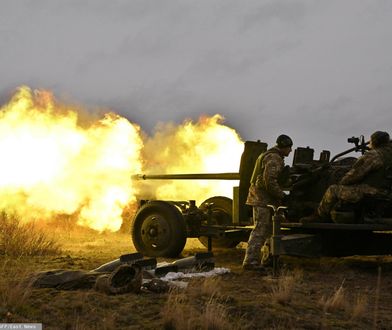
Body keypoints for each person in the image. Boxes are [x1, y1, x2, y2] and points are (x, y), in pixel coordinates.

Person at [302, 131, 392, 223]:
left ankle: (319, 217)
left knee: (333, 190)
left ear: (374, 142)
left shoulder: (373, 155)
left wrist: (342, 182)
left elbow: (354, 175)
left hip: (372, 193)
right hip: (388, 195)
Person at [242, 134, 293, 271]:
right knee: (260, 230)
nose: (290, 150)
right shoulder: (274, 158)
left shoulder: (268, 155)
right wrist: (283, 196)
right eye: (289, 148)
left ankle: (268, 260)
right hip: (262, 200)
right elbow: (269, 182)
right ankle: (251, 262)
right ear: (283, 147)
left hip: (265, 200)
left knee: (270, 231)